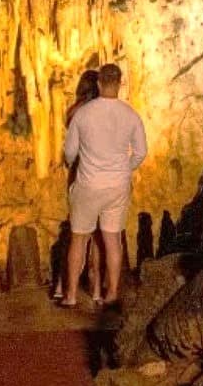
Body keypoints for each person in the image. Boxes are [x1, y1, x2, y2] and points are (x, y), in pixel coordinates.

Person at [62, 62, 147, 312]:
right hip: (117, 187)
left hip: (88, 184)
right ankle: (111, 294)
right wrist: (124, 169)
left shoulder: (83, 114)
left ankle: (70, 295)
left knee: (79, 239)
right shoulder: (131, 115)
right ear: (120, 84)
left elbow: (69, 152)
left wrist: (73, 165)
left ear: (99, 84)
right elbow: (141, 152)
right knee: (112, 241)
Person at [52, 70, 101, 302]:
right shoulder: (102, 112)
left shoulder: (73, 112)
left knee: (76, 233)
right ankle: (96, 288)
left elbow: (69, 152)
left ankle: (64, 287)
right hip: (98, 175)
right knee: (97, 234)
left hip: (78, 175)